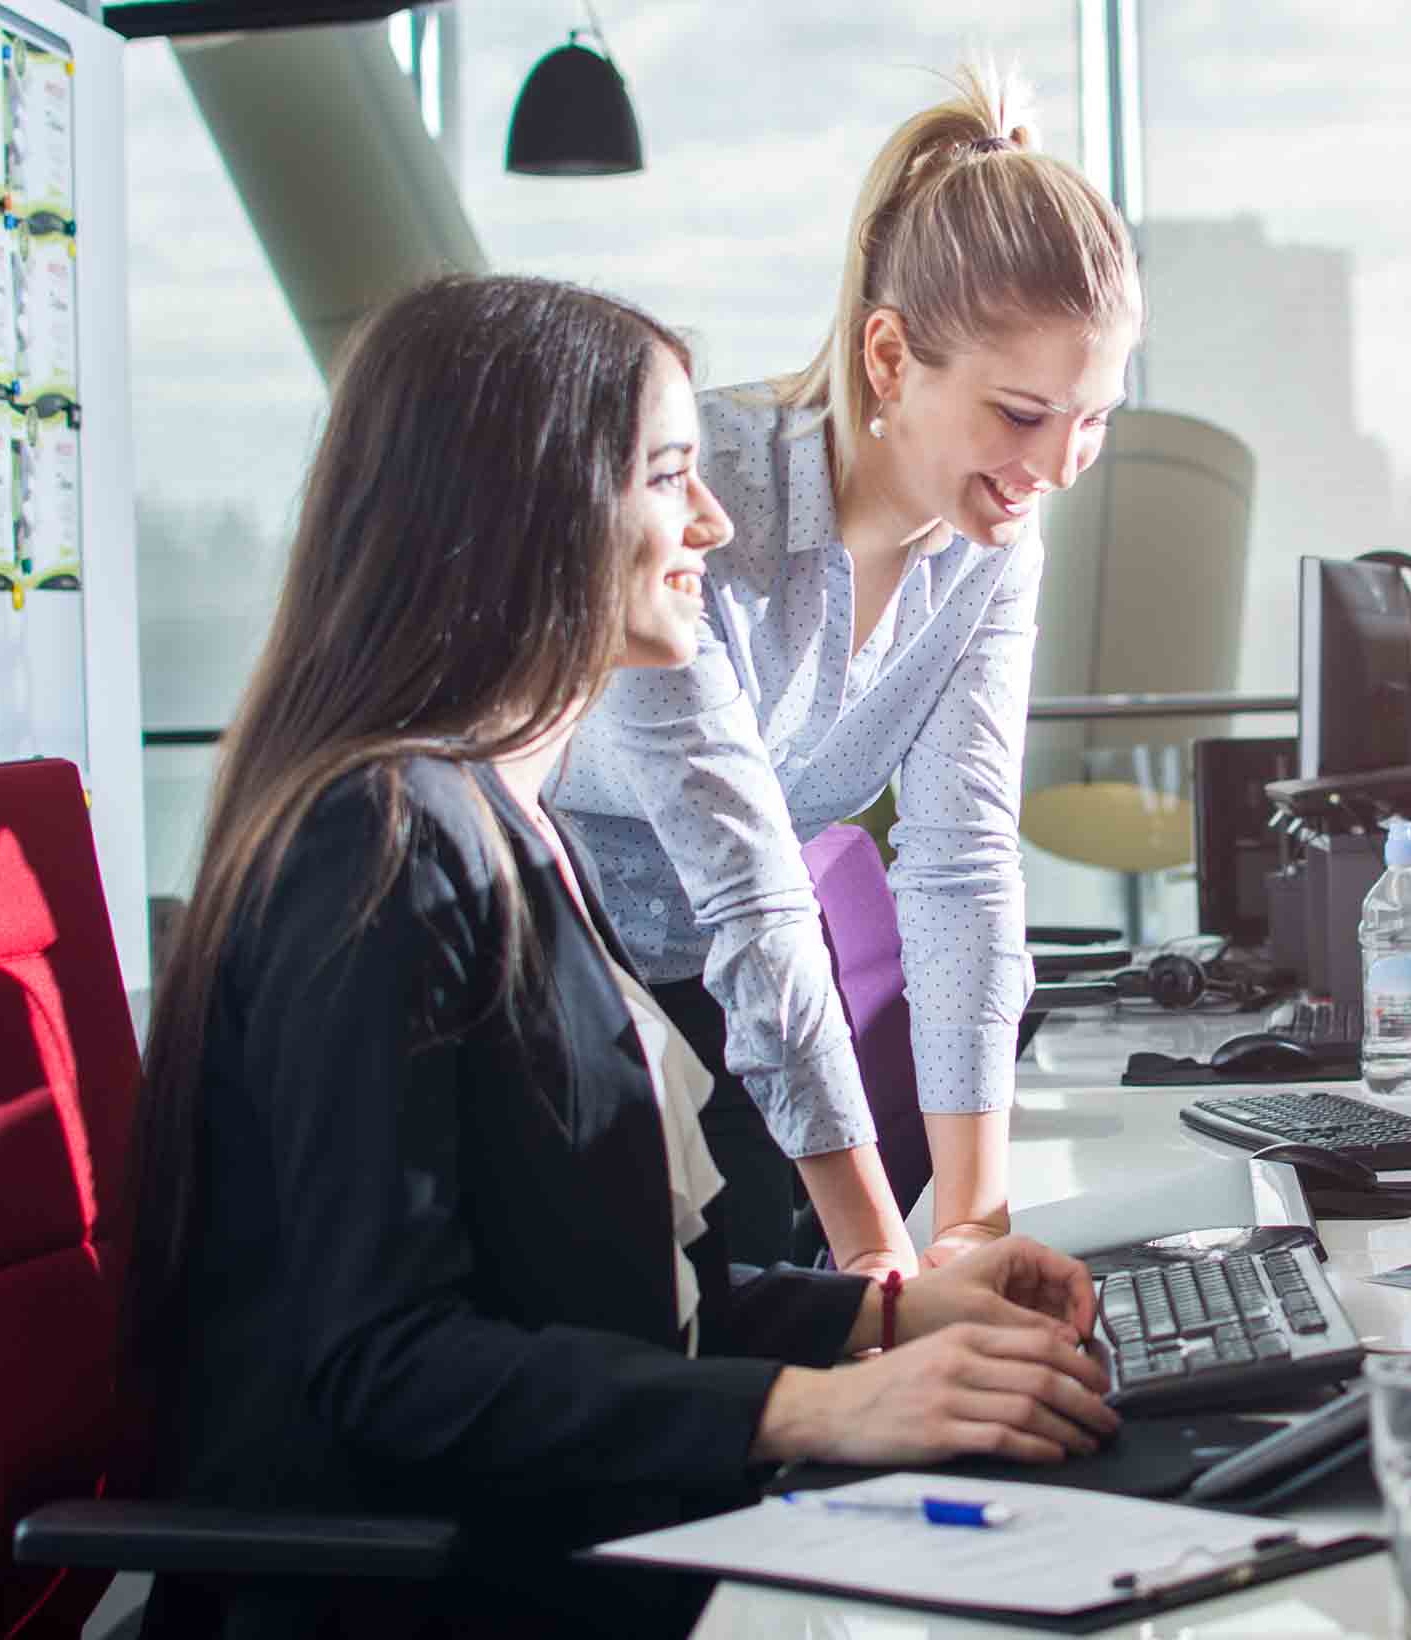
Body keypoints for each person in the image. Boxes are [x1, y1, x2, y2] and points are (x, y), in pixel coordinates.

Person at [122, 275, 1116, 1638]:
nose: (713, 520)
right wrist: (815, 1408)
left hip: (583, 1535)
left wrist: (891, 1321)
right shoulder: (380, 849)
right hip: (444, 1596)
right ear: (522, 515)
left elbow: (596, 1301)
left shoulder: (503, 819)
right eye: (665, 477)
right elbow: (392, 1362)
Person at [555, 64, 1141, 1277]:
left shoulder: (989, 544)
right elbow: (751, 891)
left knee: (807, 1314)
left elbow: (961, 858)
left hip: (723, 1001)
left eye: (1092, 418)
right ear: (888, 356)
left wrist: (971, 1232)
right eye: (1022, 412)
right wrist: (889, 1273)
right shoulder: (699, 494)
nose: (1058, 465)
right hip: (553, 999)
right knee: (741, 1329)